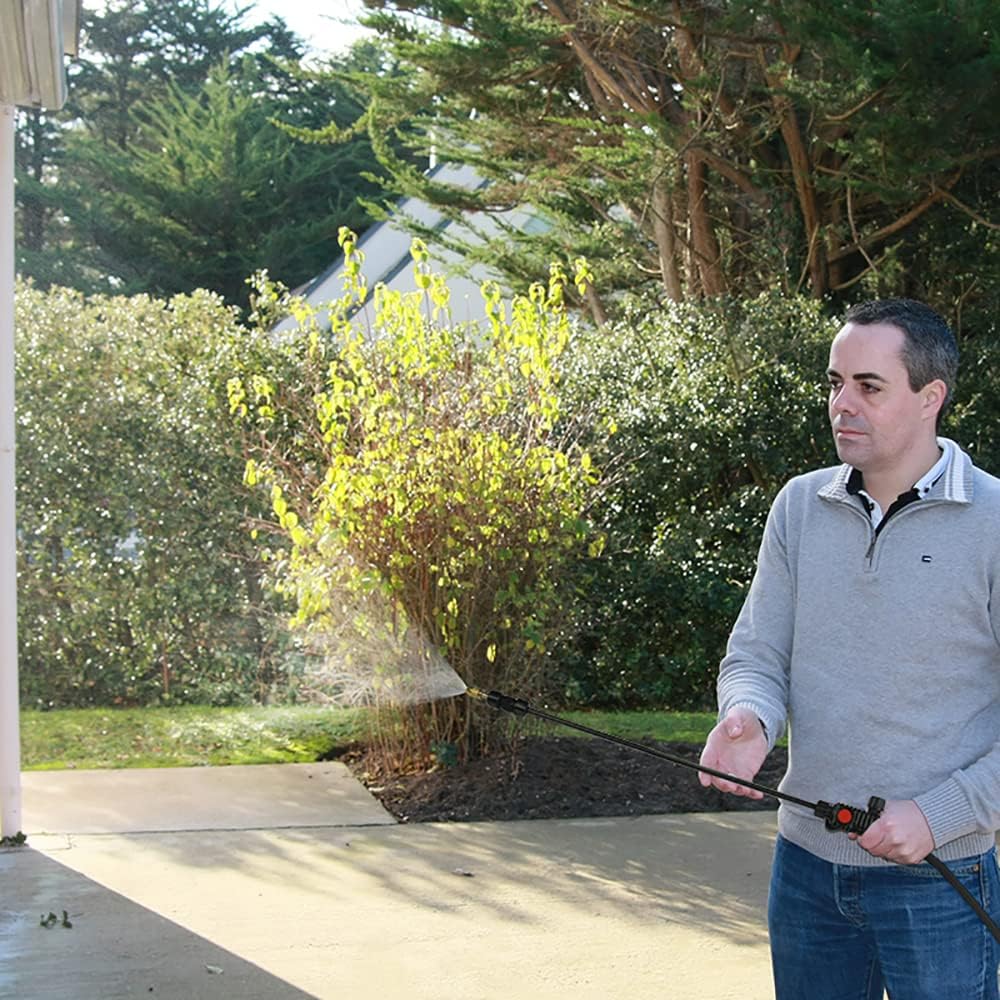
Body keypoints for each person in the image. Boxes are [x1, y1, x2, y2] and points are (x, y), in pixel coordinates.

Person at [699, 298, 1000, 1000]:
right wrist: (749, 716)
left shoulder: (994, 523)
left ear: (930, 397)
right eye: (835, 383)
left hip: (942, 881)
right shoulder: (799, 506)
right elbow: (757, 656)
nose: (842, 405)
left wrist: (937, 817)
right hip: (806, 873)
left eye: (869, 386)